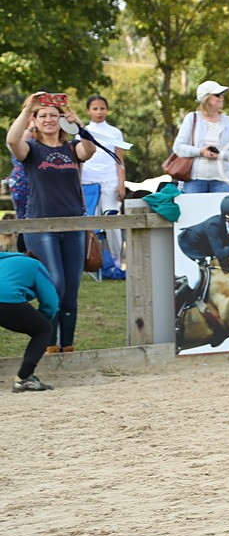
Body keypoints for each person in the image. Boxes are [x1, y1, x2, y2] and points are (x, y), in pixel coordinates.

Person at [5, 92, 95, 354]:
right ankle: (47, 341)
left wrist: (78, 123)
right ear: (35, 120)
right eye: (42, 116)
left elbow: (89, 148)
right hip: (41, 226)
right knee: (55, 283)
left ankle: (67, 344)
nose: (48, 120)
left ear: (61, 120)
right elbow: (12, 140)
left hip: (73, 226)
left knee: (71, 289)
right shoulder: (31, 150)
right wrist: (27, 110)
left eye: (53, 115)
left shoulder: (71, 149)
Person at [79, 95, 130, 269]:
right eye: (95, 109)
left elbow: (119, 159)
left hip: (110, 180)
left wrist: (121, 183)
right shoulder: (83, 131)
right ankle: (92, 259)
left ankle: (116, 259)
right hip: (88, 180)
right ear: (88, 111)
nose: (99, 112)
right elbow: (79, 159)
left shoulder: (115, 132)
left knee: (112, 221)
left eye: (102, 108)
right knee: (91, 221)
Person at [0, 249, 60, 391]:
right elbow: (51, 302)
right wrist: (42, 319)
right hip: (6, 298)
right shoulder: (36, 265)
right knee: (43, 330)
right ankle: (24, 378)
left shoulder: (4, 260)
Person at [172, 80, 229, 193]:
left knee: (220, 211)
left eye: (222, 95)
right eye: (217, 95)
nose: (221, 97)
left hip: (222, 182)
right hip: (194, 181)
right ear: (205, 99)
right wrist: (201, 151)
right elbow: (178, 148)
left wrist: (220, 155)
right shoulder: (192, 118)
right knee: (195, 211)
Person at [177, 194, 229, 290]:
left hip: (204, 249)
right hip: (188, 247)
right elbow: (220, 254)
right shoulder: (213, 226)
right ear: (227, 216)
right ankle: (180, 303)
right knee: (195, 280)